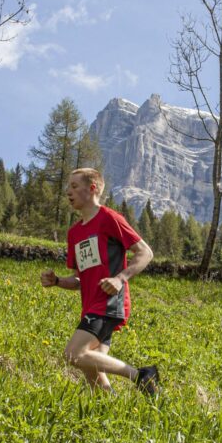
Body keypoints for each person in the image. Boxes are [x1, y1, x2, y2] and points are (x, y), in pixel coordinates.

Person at [40, 168, 159, 394]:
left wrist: (120, 278)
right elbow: (78, 280)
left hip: (109, 303)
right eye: (68, 187)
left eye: (74, 186)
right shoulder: (74, 233)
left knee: (74, 354)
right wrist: (56, 281)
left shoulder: (109, 218)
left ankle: (141, 375)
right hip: (90, 306)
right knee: (93, 369)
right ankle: (109, 408)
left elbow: (145, 253)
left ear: (92, 188)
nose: (68, 192)